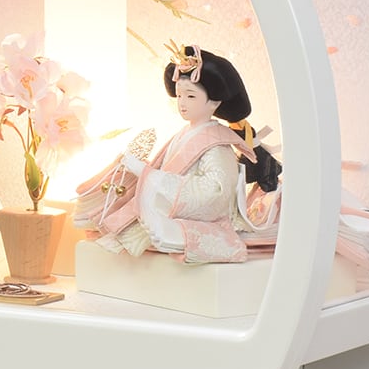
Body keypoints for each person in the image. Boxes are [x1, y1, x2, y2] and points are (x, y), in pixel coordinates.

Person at [76, 44, 257, 264]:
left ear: (214, 102)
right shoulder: (183, 134)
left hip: (196, 219)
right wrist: (140, 172)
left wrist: (148, 175)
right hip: (167, 209)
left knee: (161, 232)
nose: (182, 103)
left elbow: (215, 194)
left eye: (190, 96)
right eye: (179, 95)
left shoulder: (217, 145)